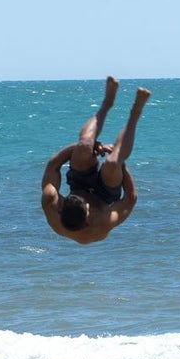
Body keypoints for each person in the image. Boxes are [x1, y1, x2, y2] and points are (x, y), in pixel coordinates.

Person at [41, 77, 151, 244]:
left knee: (84, 145)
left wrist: (88, 146)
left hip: (79, 181)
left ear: (62, 207)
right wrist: (121, 164)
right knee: (113, 163)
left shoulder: (51, 203)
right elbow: (130, 199)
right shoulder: (101, 225)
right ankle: (135, 112)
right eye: (86, 208)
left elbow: (54, 164)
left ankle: (107, 103)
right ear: (87, 218)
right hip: (106, 194)